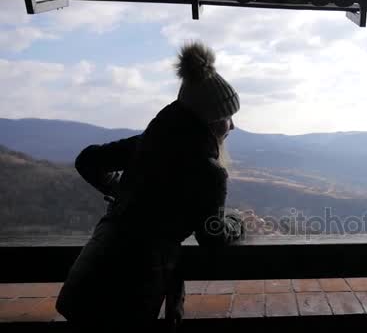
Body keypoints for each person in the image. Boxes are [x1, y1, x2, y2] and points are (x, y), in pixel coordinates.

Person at [56, 41, 243, 332]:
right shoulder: (209, 172)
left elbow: (88, 161)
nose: (231, 126)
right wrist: (237, 223)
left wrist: (124, 193)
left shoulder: (147, 144)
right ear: (207, 122)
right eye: (225, 118)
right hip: (131, 289)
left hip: (89, 271)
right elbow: (212, 237)